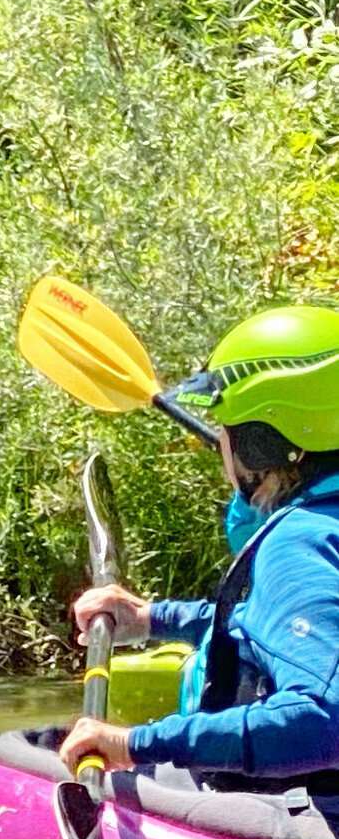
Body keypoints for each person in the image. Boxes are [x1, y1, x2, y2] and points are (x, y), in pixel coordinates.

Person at [64, 306, 339, 791]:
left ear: (261, 445)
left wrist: (137, 744)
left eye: (227, 430)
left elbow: (323, 720)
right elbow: (268, 624)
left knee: (22, 755)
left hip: (301, 814)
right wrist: (155, 619)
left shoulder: (300, 542)